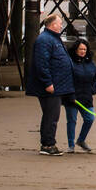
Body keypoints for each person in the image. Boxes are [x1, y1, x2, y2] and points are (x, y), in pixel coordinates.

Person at [24, 12, 75, 156]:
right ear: (53, 25)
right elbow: (41, 63)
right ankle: (47, 145)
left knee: (52, 115)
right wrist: (48, 83)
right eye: (60, 23)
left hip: (58, 85)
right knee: (51, 116)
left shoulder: (53, 39)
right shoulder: (45, 40)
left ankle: (48, 143)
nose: (61, 25)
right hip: (50, 87)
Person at [65, 39, 96, 153]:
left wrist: (93, 89)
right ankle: (71, 145)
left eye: (85, 49)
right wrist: (70, 94)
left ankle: (81, 140)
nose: (83, 51)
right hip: (72, 98)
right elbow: (65, 79)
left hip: (86, 97)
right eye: (80, 49)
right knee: (72, 121)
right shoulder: (69, 62)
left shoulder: (91, 63)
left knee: (90, 119)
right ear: (76, 50)